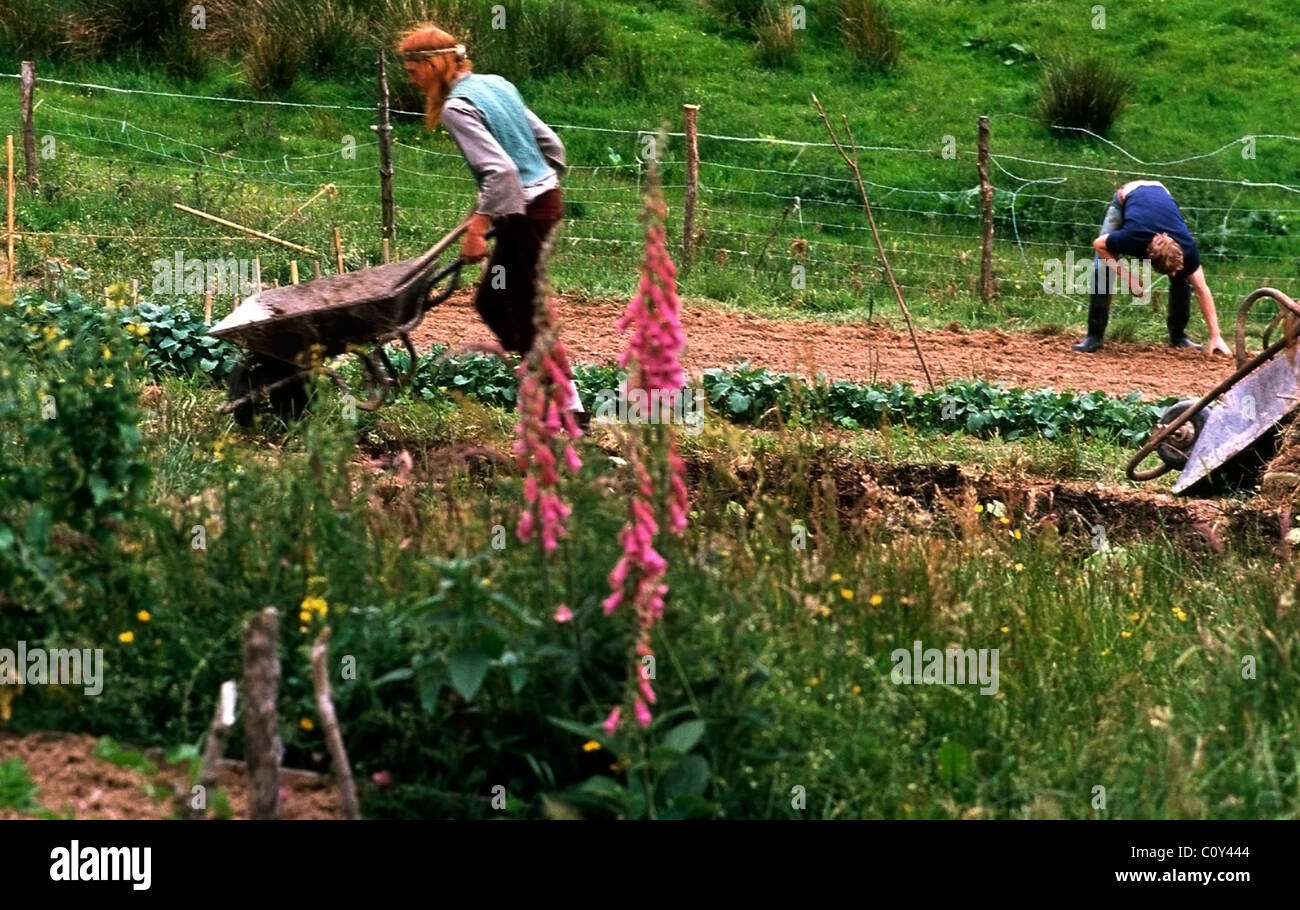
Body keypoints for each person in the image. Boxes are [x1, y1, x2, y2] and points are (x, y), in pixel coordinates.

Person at [397, 24, 584, 416]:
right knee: (506, 299)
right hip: (540, 204)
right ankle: (556, 389)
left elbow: (500, 173)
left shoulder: (456, 108)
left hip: (528, 213)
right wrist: (534, 187)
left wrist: (478, 229)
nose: (410, 79)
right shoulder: (496, 84)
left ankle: (557, 395)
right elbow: (552, 145)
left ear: (431, 64)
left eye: (412, 69)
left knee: (513, 303)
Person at [1073, 179, 1231, 356]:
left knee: (1183, 278)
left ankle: (1178, 337)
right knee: (1102, 267)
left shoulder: (1187, 247)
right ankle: (1094, 336)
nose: (1171, 273)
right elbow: (1098, 245)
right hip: (1127, 197)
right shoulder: (1132, 238)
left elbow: (1201, 289)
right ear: (1149, 258)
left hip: (1161, 192)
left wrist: (1215, 336)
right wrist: (1128, 278)